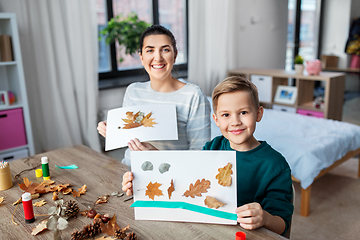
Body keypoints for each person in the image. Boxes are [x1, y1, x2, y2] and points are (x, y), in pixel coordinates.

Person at [122, 76, 293, 236]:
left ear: (258, 114)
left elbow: (282, 223)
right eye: (226, 115)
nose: (235, 122)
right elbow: (186, 176)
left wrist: (265, 218)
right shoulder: (213, 147)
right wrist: (146, 172)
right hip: (207, 230)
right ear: (216, 120)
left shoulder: (276, 166)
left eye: (243, 112)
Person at [97, 25, 211, 166]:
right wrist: (113, 130)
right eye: (150, 50)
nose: (158, 57)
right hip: (130, 170)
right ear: (142, 57)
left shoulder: (193, 95)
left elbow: (201, 153)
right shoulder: (133, 91)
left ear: (175, 55)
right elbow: (129, 139)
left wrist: (158, 156)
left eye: (165, 50)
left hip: (170, 174)